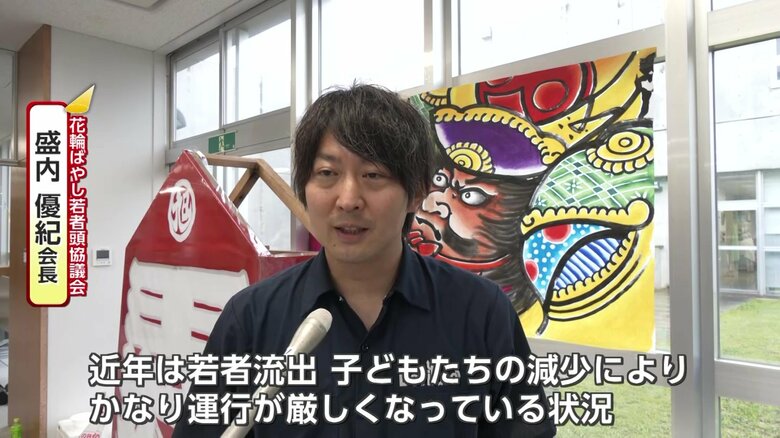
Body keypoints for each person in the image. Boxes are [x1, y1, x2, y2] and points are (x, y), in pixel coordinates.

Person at [173, 84, 556, 437]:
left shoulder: (481, 313)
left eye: (373, 175)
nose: (348, 199)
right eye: (327, 173)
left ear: (416, 193)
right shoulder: (251, 319)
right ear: (304, 187)